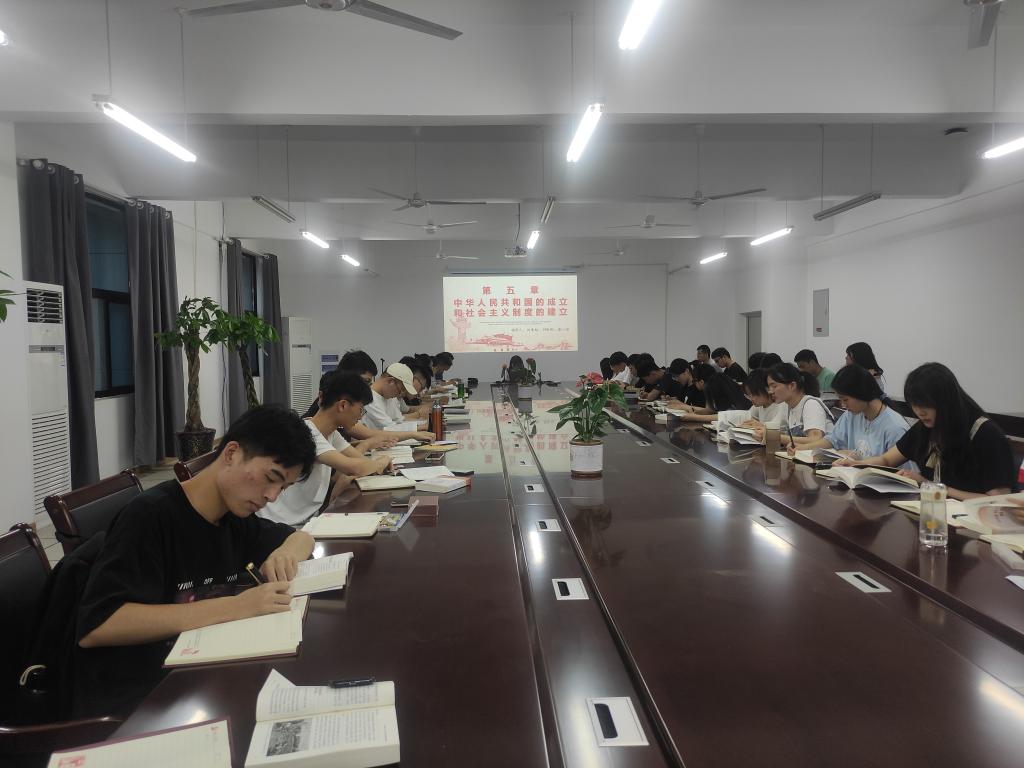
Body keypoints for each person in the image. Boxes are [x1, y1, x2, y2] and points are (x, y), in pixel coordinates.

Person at [74, 405, 318, 718]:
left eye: (283, 488)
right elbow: (99, 625)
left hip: (201, 679)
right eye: (272, 478)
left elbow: (302, 538)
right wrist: (237, 606)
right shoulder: (150, 516)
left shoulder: (234, 517)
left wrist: (286, 552)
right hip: (141, 700)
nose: (272, 496)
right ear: (231, 454)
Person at [835, 363, 1017, 500]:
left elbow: (998, 502)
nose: (919, 412)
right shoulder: (926, 428)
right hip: (930, 513)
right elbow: (887, 460)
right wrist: (856, 465)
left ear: (946, 401)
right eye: (914, 404)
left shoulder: (985, 434)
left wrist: (932, 486)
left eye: (926, 404)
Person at [258, 372, 394, 527]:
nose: (360, 416)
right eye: (361, 409)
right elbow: (354, 467)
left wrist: (373, 464)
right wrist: (382, 461)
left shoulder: (331, 433)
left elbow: (359, 461)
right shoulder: (308, 433)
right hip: (282, 523)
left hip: (306, 519)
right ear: (343, 405)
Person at [793, 365, 911, 462]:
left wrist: (856, 460)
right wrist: (801, 448)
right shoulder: (851, 415)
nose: (843, 405)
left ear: (861, 393)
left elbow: (900, 473)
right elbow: (832, 440)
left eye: (845, 399)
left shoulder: (895, 427)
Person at [761, 362, 835, 442]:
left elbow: (815, 439)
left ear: (792, 386)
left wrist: (776, 437)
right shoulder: (786, 405)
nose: (770, 391)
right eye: (769, 387)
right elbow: (772, 428)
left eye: (774, 386)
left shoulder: (811, 404)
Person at [361, 363, 432, 436]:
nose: (399, 394)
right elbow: (390, 428)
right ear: (390, 381)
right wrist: (418, 428)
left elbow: (399, 420)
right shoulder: (370, 399)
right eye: (400, 390)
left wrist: (420, 425)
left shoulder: (390, 397)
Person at [671, 363, 751, 421]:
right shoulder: (715, 382)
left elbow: (725, 415)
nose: (694, 384)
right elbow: (710, 410)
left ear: (701, 381)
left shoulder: (716, 386)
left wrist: (695, 417)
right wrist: (691, 410)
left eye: (695, 381)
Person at [717, 368, 787, 428]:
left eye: (753, 394)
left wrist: (759, 425)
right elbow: (743, 416)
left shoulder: (781, 405)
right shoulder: (760, 405)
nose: (751, 399)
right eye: (748, 395)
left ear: (766, 389)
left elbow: (774, 428)